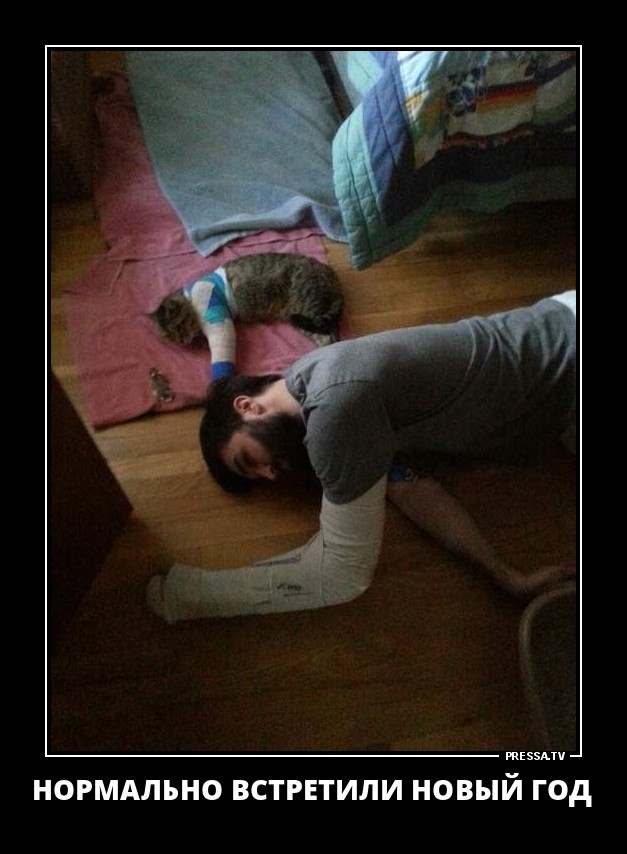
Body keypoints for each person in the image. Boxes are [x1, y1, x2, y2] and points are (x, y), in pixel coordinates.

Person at [146, 291, 577, 623]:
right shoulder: (312, 376)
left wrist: (188, 596)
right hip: (556, 336)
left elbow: (339, 575)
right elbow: (411, 489)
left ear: (247, 406)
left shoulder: (333, 412)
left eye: (249, 459)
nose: (270, 474)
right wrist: (506, 575)